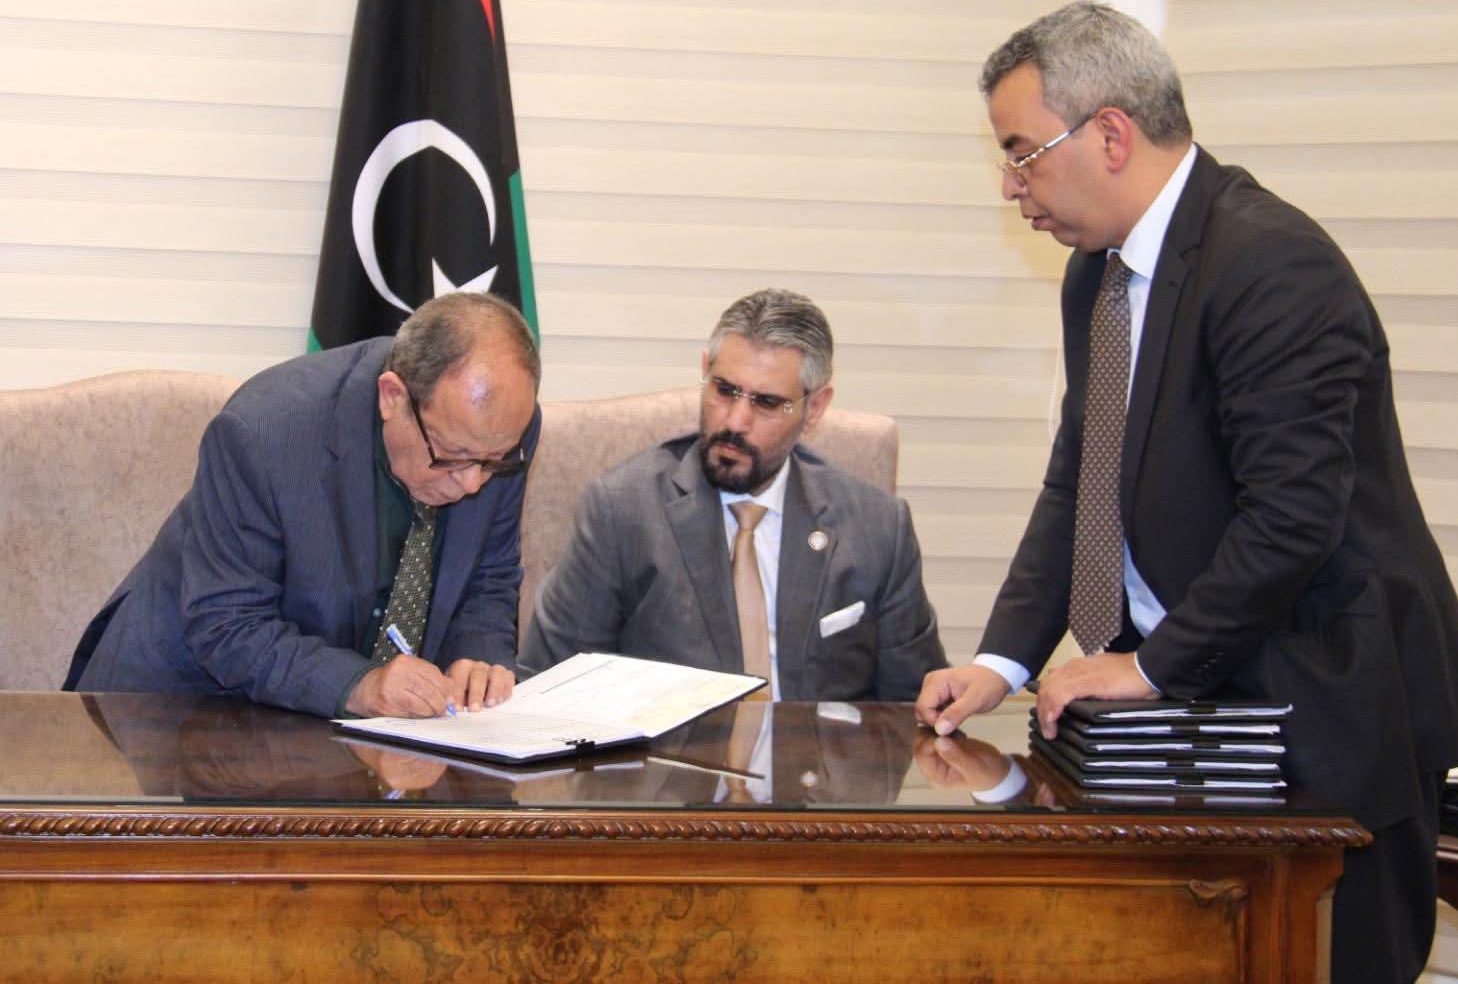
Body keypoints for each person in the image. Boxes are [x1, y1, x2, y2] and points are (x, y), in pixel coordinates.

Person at [914, 0, 1458, 984]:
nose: (1011, 186)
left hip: (1326, 712)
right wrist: (1003, 658)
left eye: (1022, 153)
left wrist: (1147, 665)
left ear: (1110, 134)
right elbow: (1081, 480)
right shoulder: (1096, 276)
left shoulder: (1271, 263)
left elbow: (1292, 517)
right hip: (1202, 710)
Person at [65, 292, 541, 720]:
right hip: (182, 712)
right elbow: (227, 624)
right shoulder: (265, 434)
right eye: (451, 456)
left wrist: (478, 658)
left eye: (494, 462)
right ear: (392, 397)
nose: (472, 483)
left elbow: (489, 574)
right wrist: (359, 685)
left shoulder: (500, 432)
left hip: (354, 735)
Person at [519, 288, 945, 700]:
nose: (736, 421)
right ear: (705, 370)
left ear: (814, 409)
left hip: (816, 749)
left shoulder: (877, 527)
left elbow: (914, 709)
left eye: (766, 403)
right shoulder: (623, 511)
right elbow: (550, 686)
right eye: (724, 390)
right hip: (676, 750)